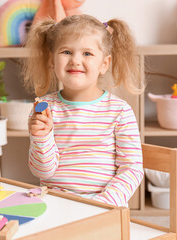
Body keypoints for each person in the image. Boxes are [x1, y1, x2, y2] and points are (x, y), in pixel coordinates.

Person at [22, 14, 145, 207]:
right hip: (57, 204)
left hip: (104, 206)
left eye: (87, 53)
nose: (75, 60)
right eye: (66, 52)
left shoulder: (120, 111)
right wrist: (41, 137)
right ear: (52, 60)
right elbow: (42, 171)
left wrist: (103, 204)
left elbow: (132, 169)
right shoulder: (43, 110)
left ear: (104, 64)